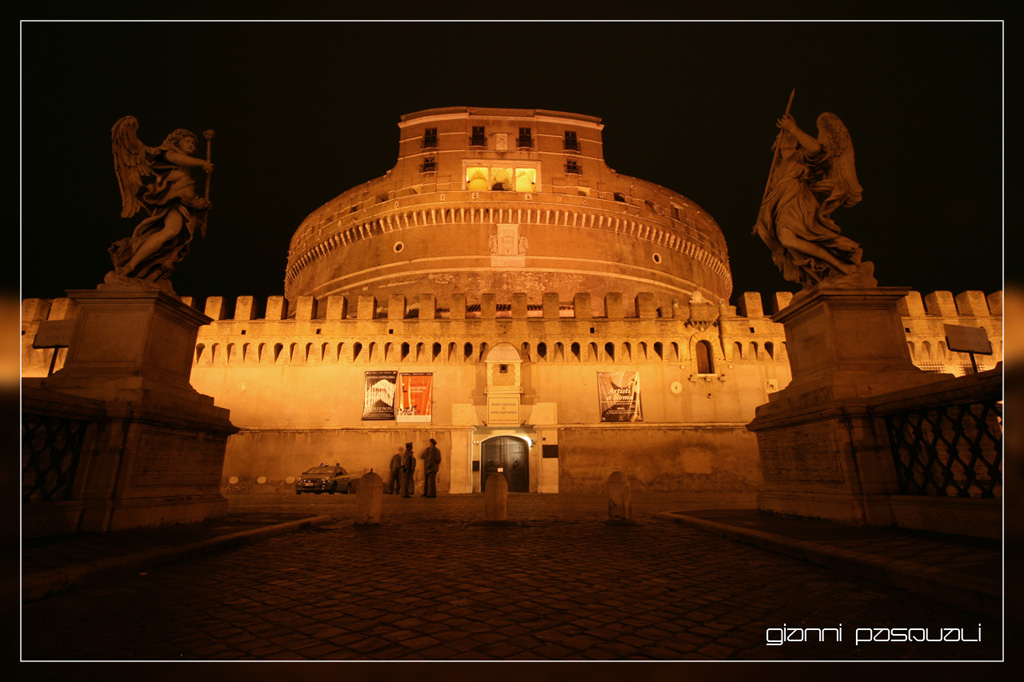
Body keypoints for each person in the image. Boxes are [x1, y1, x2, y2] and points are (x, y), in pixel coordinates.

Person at [752, 111, 871, 289]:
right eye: (783, 136)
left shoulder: (800, 157)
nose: (786, 138)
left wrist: (793, 128)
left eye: (789, 136)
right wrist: (763, 220)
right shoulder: (778, 169)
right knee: (784, 242)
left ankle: (840, 265)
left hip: (798, 201)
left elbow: (815, 149)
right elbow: (772, 195)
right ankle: (817, 275)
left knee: (788, 240)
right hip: (780, 205)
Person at [109, 117, 214, 285]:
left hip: (183, 206)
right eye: (188, 141)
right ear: (176, 141)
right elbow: (178, 160)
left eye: (193, 145)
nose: (191, 146)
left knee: (175, 244)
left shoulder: (184, 171)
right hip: (171, 203)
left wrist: (200, 203)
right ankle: (130, 265)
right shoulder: (166, 154)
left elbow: (186, 193)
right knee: (171, 231)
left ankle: (151, 275)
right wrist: (202, 162)